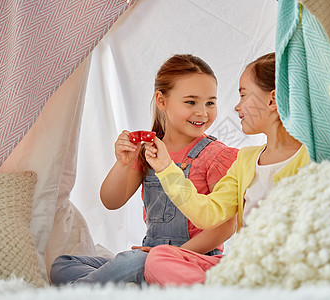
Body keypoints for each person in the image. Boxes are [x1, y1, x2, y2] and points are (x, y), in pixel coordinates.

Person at [49, 54, 238, 286]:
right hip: (148, 255)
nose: (202, 112)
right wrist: (123, 163)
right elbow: (111, 201)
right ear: (162, 100)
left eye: (210, 102)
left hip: (191, 260)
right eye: (191, 102)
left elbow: (227, 224)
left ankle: (90, 288)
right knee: (62, 264)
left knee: (130, 263)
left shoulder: (216, 155)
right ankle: (127, 283)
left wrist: (171, 256)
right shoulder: (150, 151)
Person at [142, 52, 311, 286]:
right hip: (245, 270)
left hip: (288, 273)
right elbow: (208, 214)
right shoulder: (245, 160)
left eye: (243, 95)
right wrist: (166, 169)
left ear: (272, 101)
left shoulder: (312, 158)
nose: (236, 106)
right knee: (159, 258)